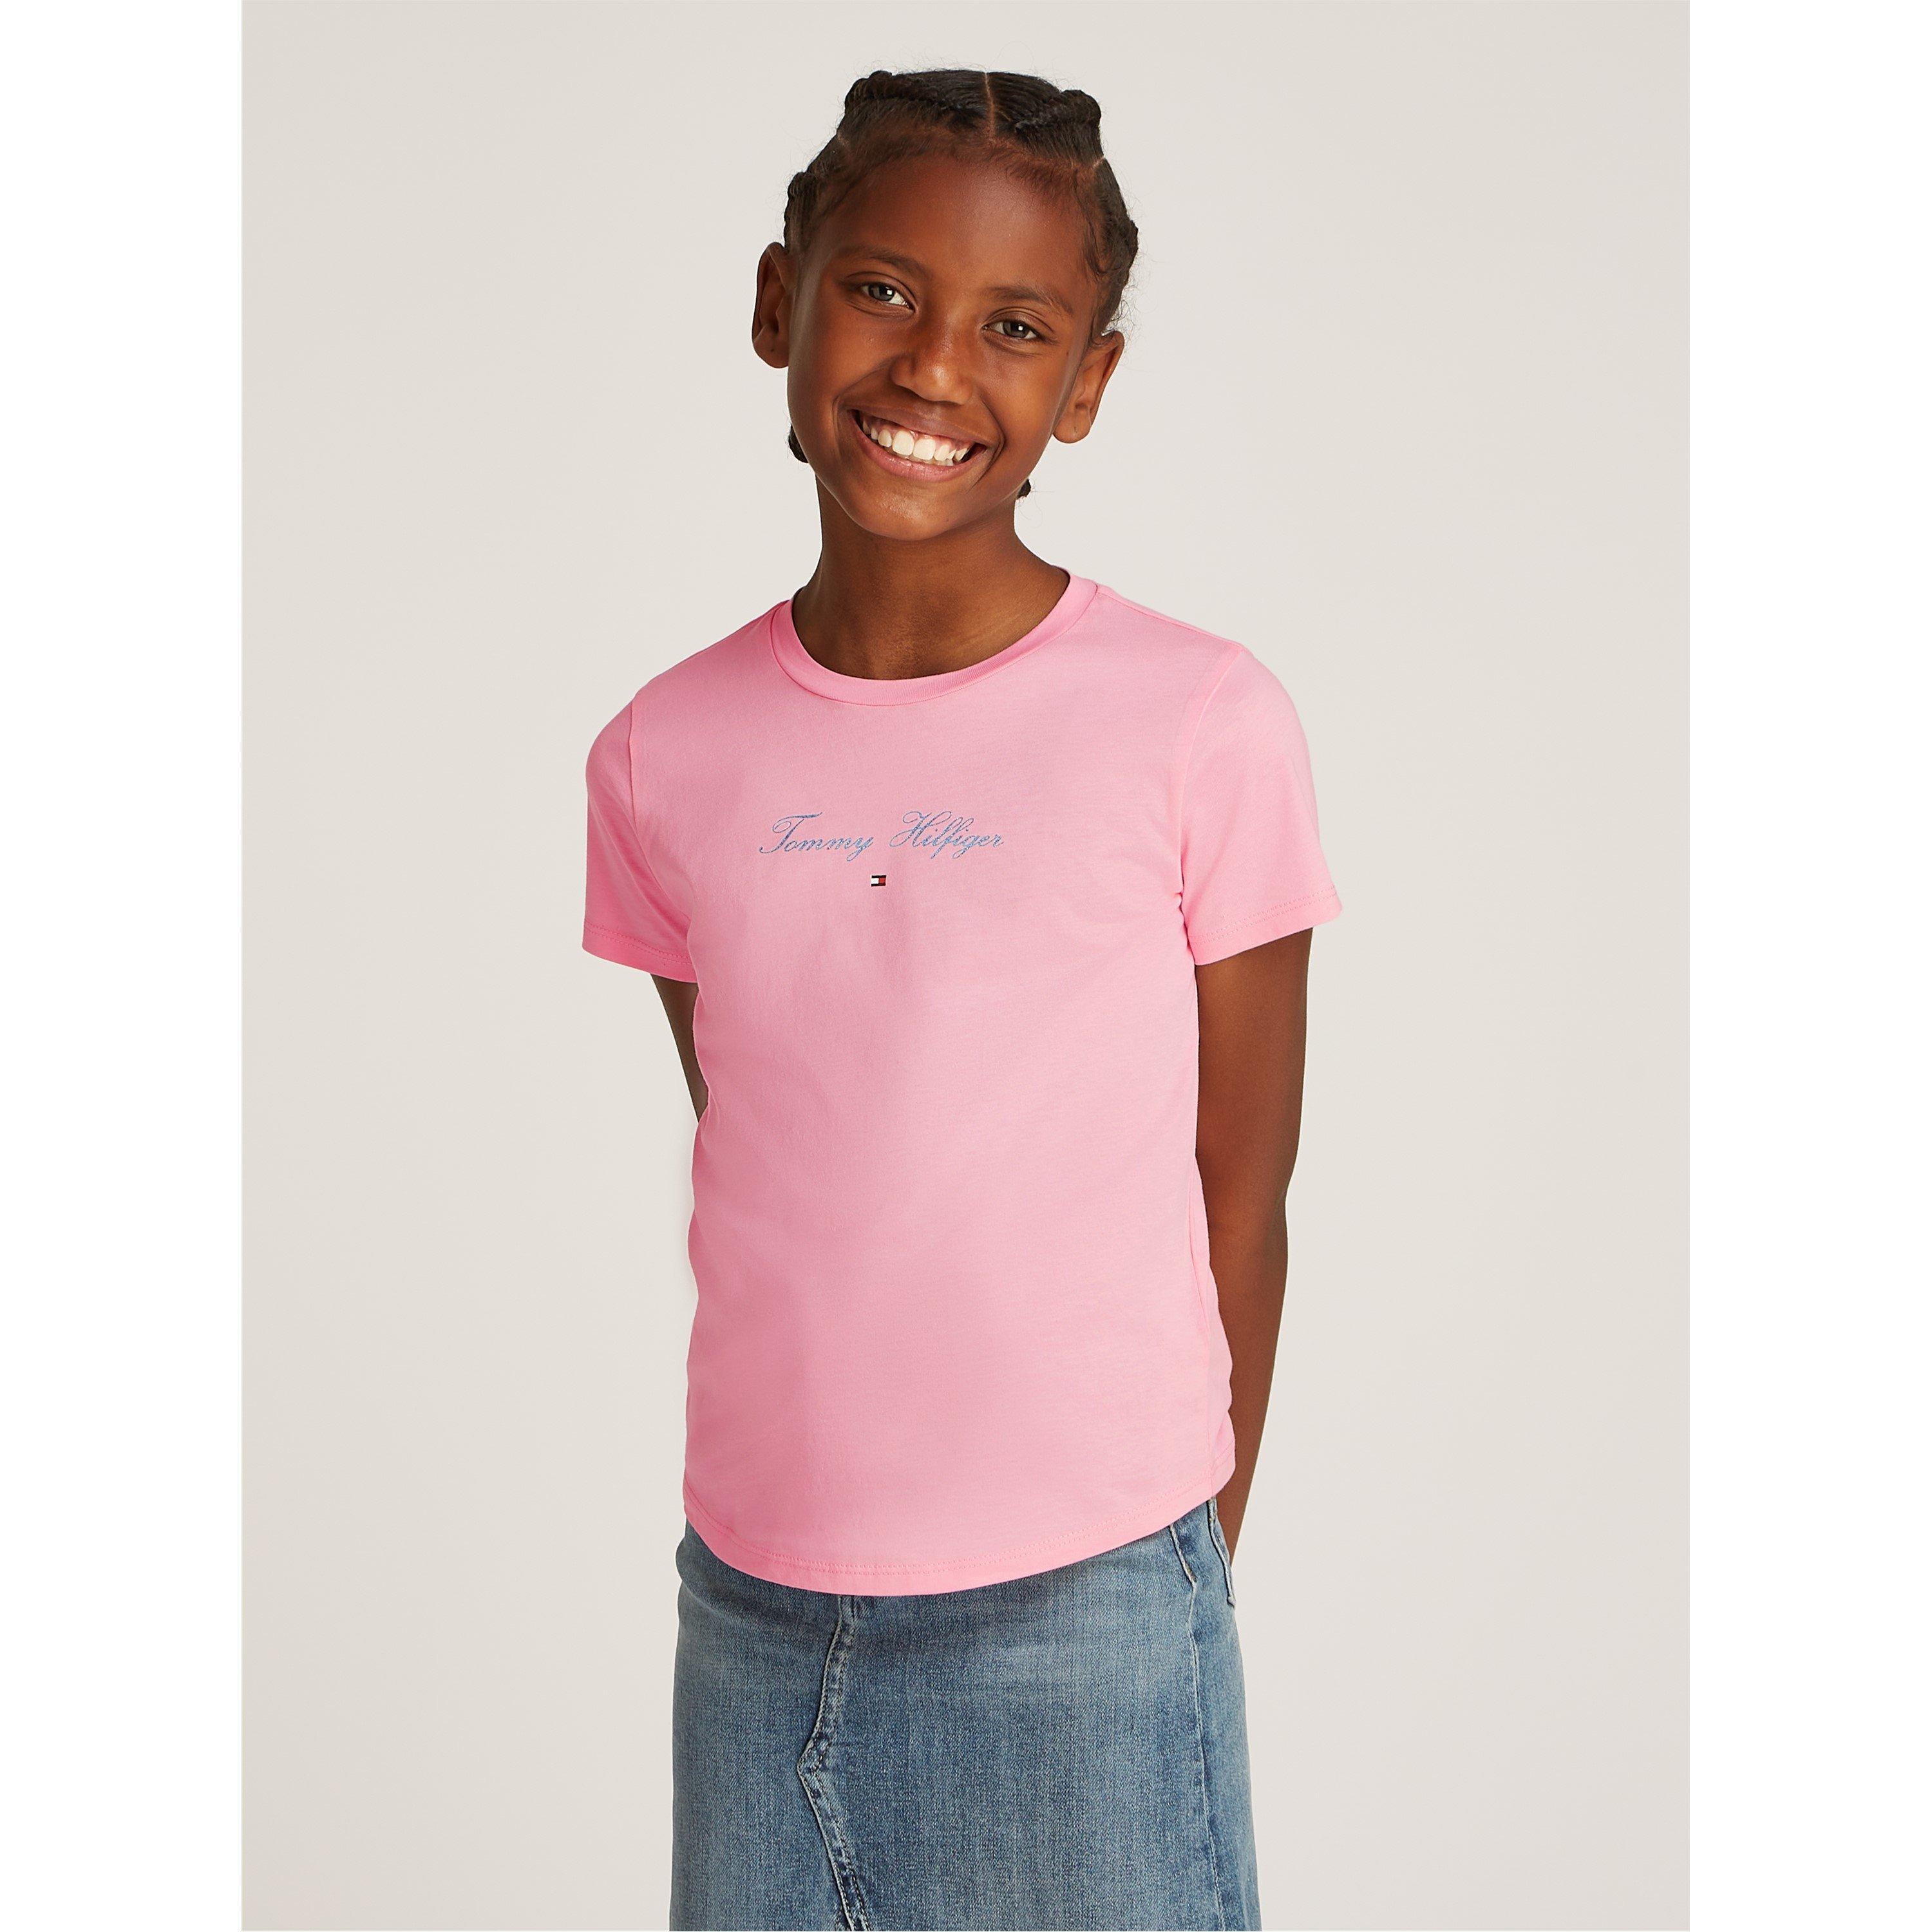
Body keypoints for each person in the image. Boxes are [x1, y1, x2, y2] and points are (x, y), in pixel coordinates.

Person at [582, 66, 1341, 1932]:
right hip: (751, 1612)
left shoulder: (1199, 723)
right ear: (781, 299)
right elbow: (770, 1122)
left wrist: (1159, 1565)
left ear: (1085, 384)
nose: (934, 367)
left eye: (1015, 326)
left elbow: (1238, 1186)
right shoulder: (664, 752)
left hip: (1082, 1611)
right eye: (882, 291)